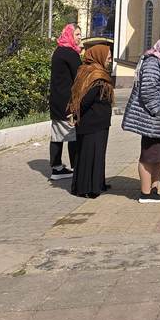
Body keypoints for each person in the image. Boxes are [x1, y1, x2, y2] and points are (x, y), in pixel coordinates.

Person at [122, 35, 160, 203]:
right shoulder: (152, 62)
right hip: (153, 121)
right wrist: (157, 110)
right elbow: (147, 89)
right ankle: (145, 193)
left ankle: (154, 189)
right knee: (149, 156)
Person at [68, 43, 113, 198]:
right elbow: (86, 100)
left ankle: (97, 184)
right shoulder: (95, 75)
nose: (110, 60)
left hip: (96, 122)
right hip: (92, 123)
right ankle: (88, 188)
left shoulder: (92, 72)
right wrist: (76, 113)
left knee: (95, 155)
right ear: (99, 56)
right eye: (108, 57)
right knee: (90, 155)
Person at [47, 23, 81, 180]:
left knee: (57, 135)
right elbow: (79, 76)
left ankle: (57, 167)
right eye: (77, 34)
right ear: (70, 35)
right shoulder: (70, 53)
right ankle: (76, 167)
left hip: (56, 100)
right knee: (73, 134)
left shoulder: (59, 51)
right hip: (67, 102)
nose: (79, 38)